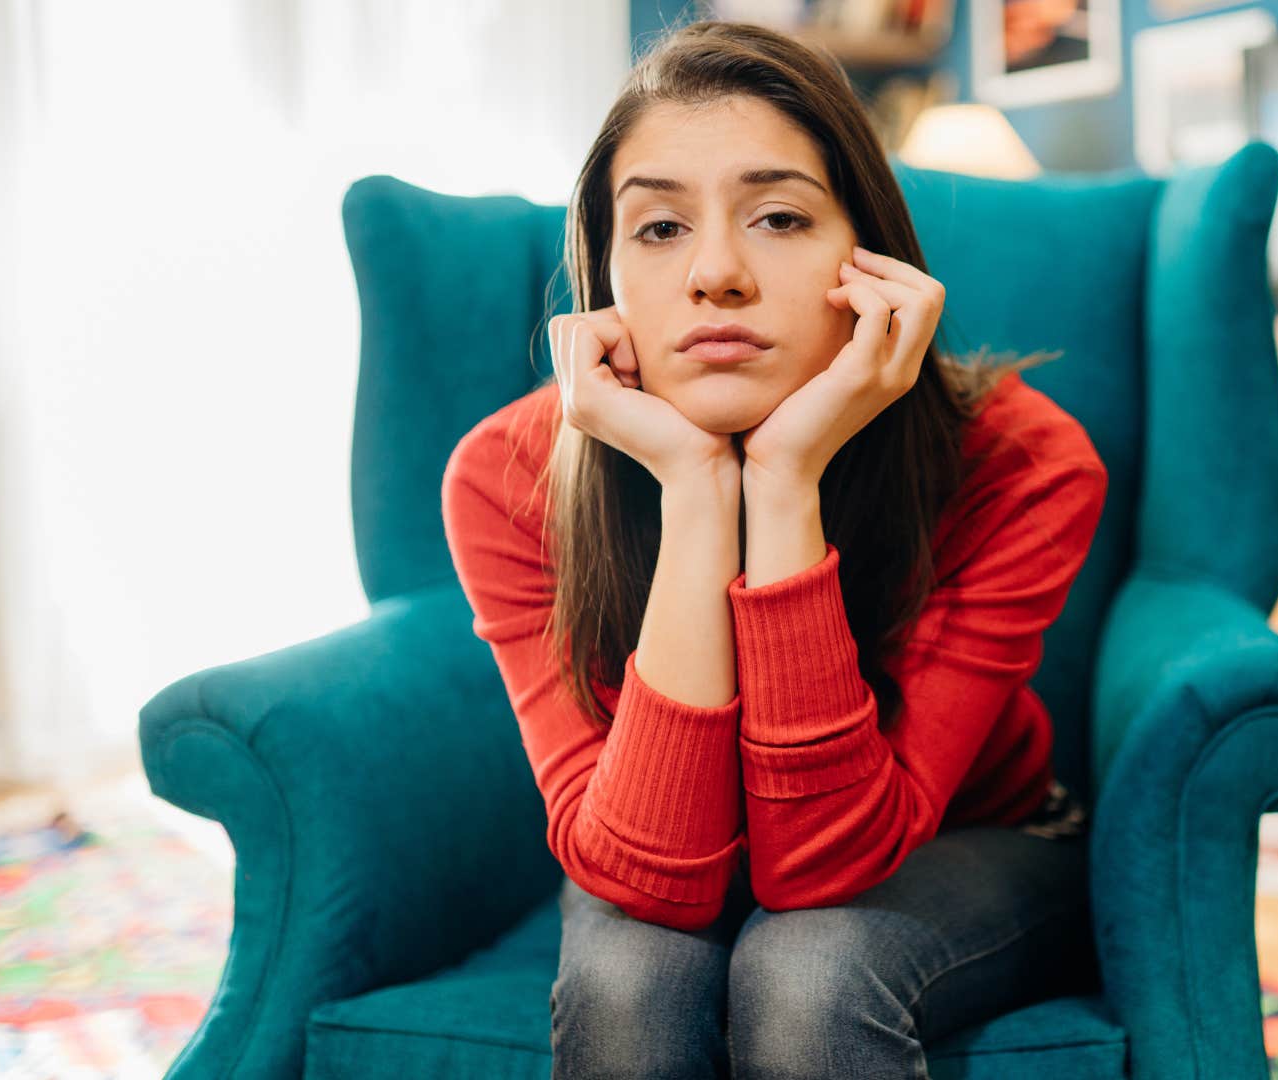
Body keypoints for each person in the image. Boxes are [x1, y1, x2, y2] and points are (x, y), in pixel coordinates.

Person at [439, 18, 1108, 1079]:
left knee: (808, 975)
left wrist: (785, 477)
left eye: (781, 216)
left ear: (870, 256)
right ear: (603, 272)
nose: (715, 274)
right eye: (658, 229)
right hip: (653, 820)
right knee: (628, 985)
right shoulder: (505, 475)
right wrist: (699, 488)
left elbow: (822, 867)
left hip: (969, 840)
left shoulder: (1021, 460)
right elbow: (650, 878)